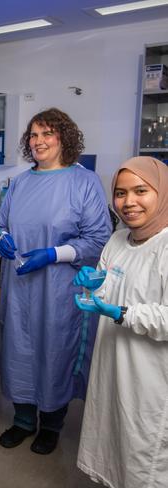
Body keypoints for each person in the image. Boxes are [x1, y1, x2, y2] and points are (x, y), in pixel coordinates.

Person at [0, 108, 111, 454]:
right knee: (19, 351)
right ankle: (23, 420)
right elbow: (1, 224)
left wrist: (53, 254)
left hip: (59, 288)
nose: (39, 141)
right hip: (19, 287)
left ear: (64, 138)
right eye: (33, 135)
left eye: (47, 134)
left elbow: (98, 238)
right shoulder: (20, 182)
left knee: (55, 351)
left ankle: (52, 424)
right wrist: (0, 237)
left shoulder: (83, 181)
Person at [75, 156, 168, 487]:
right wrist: (94, 281)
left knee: (145, 452)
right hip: (112, 363)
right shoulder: (118, 239)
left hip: (151, 377)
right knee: (114, 436)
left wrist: (122, 312)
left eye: (141, 190)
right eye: (120, 192)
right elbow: (109, 279)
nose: (128, 202)